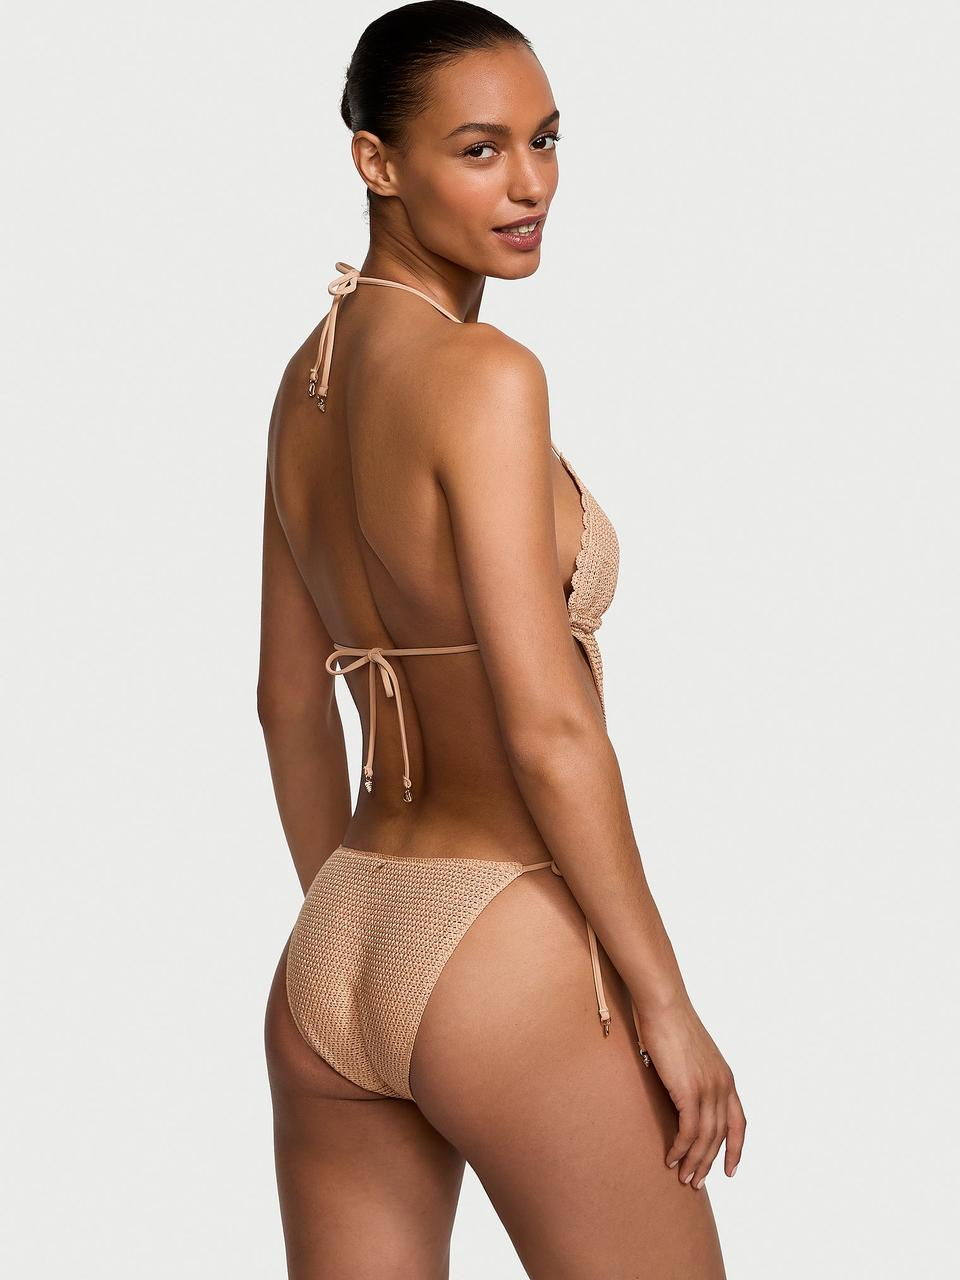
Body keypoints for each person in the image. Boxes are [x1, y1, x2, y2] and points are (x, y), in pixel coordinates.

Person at [258, 3, 746, 1275]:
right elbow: (548, 725)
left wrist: (364, 940)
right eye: (479, 149)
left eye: (546, 139)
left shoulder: (305, 384)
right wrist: (667, 1000)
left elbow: (283, 701)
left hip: (337, 945)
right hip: (506, 945)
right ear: (377, 162)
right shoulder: (486, 374)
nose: (530, 184)